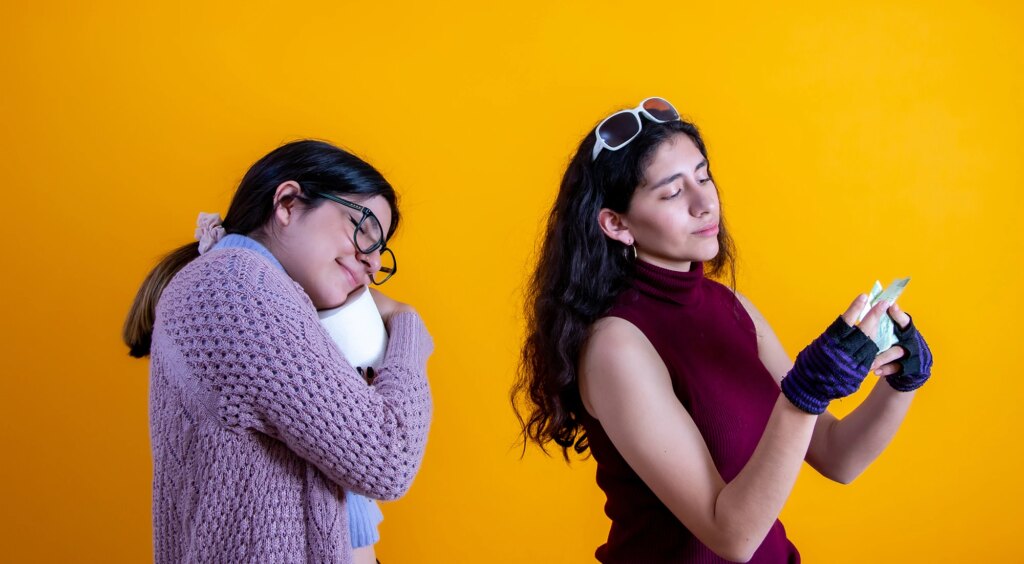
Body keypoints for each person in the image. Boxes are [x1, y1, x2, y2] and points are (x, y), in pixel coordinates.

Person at [513, 98, 934, 562]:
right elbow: (731, 536)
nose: (703, 202)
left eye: (703, 175)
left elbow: (838, 457)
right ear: (617, 224)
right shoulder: (616, 344)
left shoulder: (733, 309)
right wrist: (806, 393)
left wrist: (903, 381)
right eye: (672, 193)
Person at [123, 139, 432, 563]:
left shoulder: (259, 296)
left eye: (380, 253)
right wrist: (407, 327)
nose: (373, 263)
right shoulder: (235, 286)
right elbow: (388, 457)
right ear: (287, 203)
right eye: (364, 230)